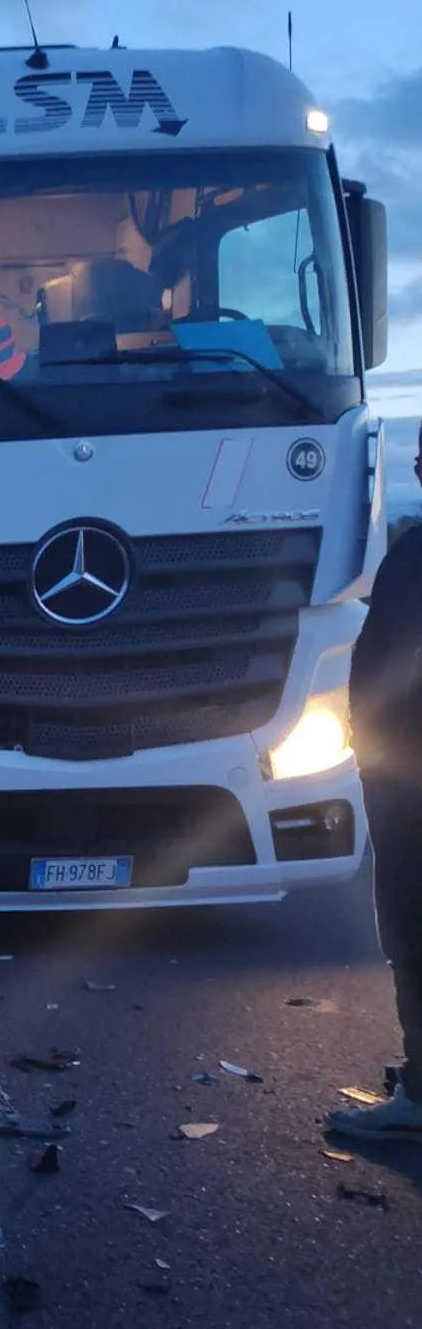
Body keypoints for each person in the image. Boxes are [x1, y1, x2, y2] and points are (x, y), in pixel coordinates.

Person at [328, 439, 422, 1141]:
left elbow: (392, 662)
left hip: (409, 777)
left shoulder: (415, 555)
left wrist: (374, 746)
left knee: (412, 929)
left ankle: (418, 1099)